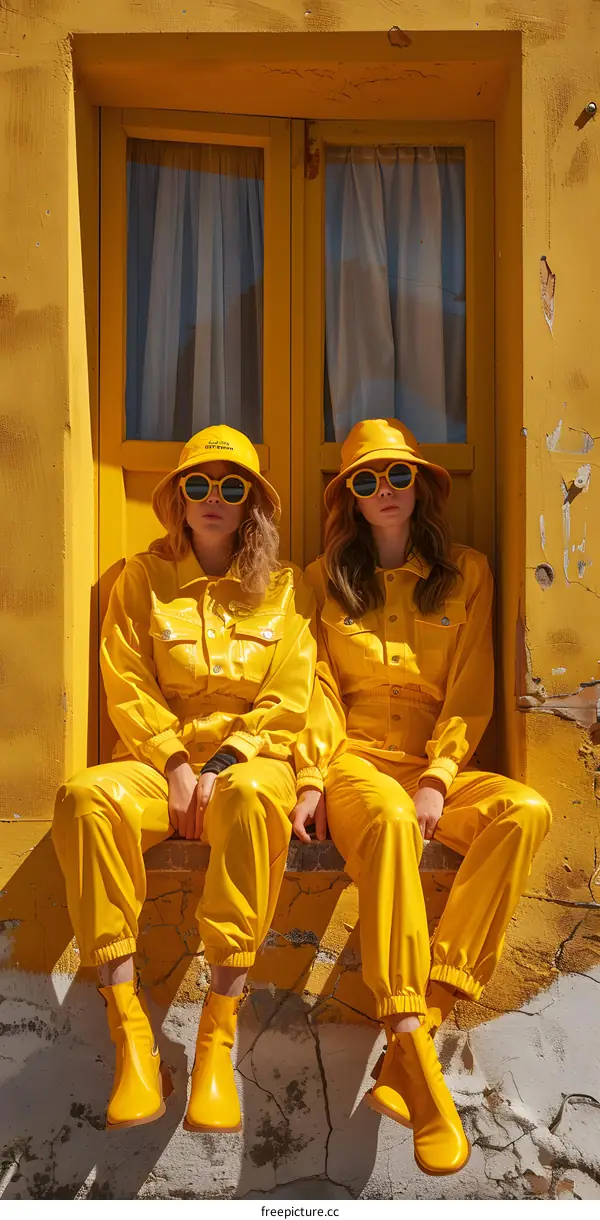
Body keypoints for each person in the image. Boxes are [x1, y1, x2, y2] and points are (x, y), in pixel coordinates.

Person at [292, 418, 551, 1177]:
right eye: (366, 481)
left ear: (420, 485)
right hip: (354, 763)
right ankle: (413, 1047)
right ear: (349, 497)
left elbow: (471, 688)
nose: (384, 492)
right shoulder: (320, 581)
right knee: (393, 820)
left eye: (396, 476)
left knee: (522, 812)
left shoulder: (465, 572)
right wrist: (311, 777)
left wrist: (440, 774)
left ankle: (420, 1028)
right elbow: (316, 695)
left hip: (434, 762)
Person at [53, 425, 321, 1133]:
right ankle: (131, 1035)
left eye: (231, 487)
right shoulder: (139, 579)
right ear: (177, 497)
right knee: (83, 800)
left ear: (250, 506)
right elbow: (127, 682)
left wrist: (225, 760)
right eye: (198, 484)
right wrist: (174, 763)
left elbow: (289, 695)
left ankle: (215, 1040)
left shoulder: (284, 589)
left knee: (251, 792)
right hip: (157, 765)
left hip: (248, 765)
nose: (213, 498)